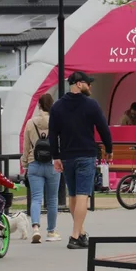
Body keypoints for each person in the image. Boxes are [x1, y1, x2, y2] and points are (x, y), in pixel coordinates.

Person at [48, 70, 113, 249]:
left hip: (67, 156)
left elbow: (53, 134)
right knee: (83, 195)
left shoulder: (58, 106)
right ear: (78, 83)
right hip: (86, 154)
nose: (90, 86)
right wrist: (109, 148)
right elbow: (103, 128)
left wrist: (56, 156)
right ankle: (75, 236)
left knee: (73, 195)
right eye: (87, 83)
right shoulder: (91, 104)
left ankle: (81, 231)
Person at [21, 92, 60, 244]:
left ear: (39, 105)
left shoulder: (31, 123)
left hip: (34, 163)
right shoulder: (57, 122)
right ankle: (51, 231)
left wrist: (25, 163)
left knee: (36, 198)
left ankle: (36, 228)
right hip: (52, 164)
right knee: (52, 200)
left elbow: (26, 147)